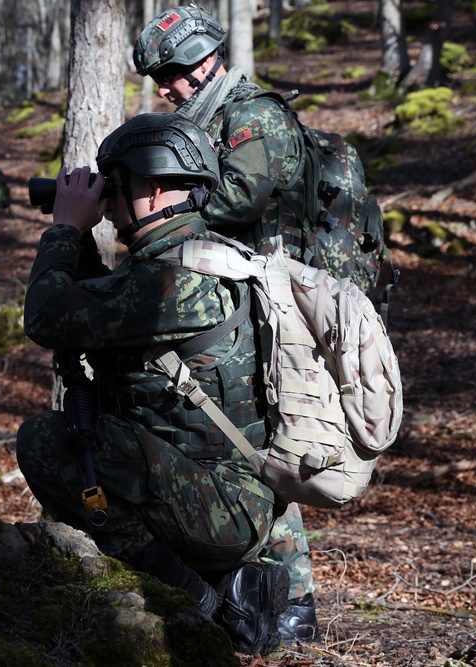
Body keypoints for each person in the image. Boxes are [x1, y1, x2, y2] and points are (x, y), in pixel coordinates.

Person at [16, 113, 289, 656]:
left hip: (223, 509)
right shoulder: (204, 258)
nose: (108, 201)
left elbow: (48, 316)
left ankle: (196, 602)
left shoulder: (174, 280)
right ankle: (210, 587)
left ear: (155, 186)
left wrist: (67, 229)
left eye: (113, 186)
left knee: (46, 441)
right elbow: (105, 309)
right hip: (229, 495)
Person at [132, 4, 320, 643]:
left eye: (172, 74)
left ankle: (290, 611)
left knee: (267, 451)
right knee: (238, 448)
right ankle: (257, 604)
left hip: (270, 310)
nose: (165, 87)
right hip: (230, 306)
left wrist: (167, 198)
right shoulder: (208, 115)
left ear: (202, 60)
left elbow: (242, 197)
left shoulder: (253, 114)